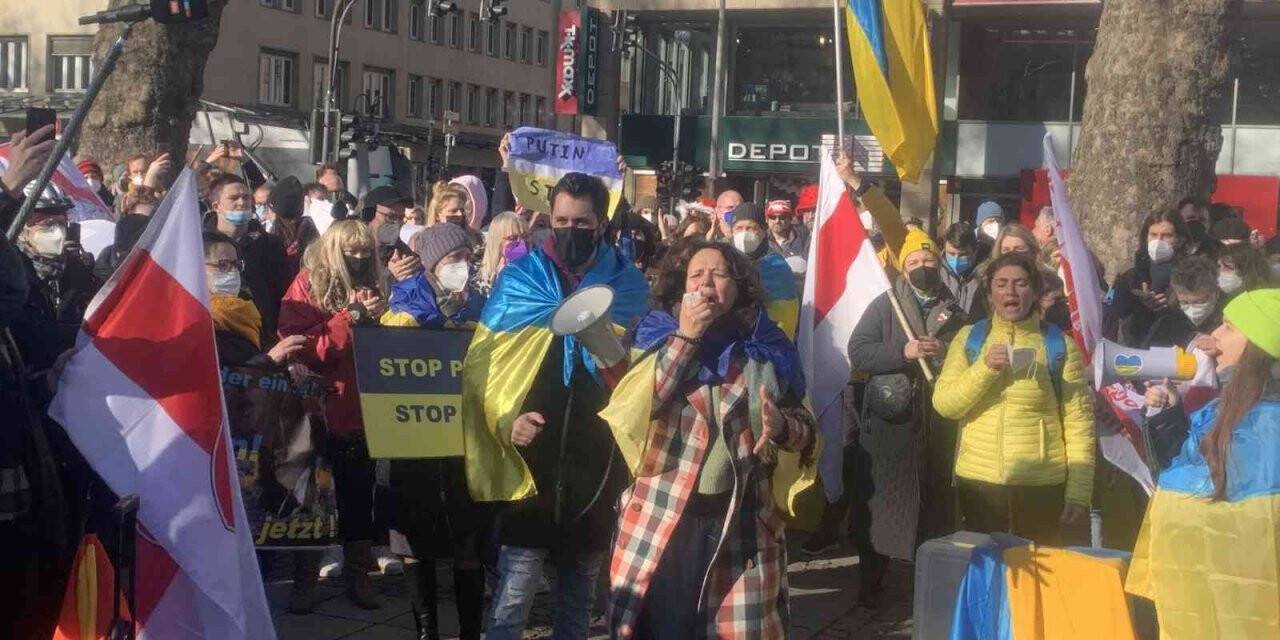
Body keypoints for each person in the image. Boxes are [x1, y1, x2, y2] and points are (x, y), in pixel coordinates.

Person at [460, 172, 648, 640]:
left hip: (594, 457)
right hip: (533, 459)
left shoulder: (627, 283)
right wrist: (507, 422)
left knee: (579, 592)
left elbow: (644, 377)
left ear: (601, 224)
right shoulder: (519, 280)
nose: (568, 230)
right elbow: (485, 369)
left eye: (581, 223)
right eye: (560, 219)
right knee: (515, 591)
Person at [603, 240, 816, 639]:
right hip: (665, 523)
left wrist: (783, 426)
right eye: (696, 274)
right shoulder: (654, 335)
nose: (706, 282)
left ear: (739, 287)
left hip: (744, 526)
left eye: (718, 274)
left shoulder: (767, 347)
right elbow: (643, 406)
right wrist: (687, 338)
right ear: (680, 287)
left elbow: (807, 432)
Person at [1126, 289, 1280, 640]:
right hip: (1212, 593)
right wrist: (1169, 417)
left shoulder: (1270, 423)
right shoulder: (1223, 407)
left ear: (1260, 343)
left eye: (1228, 327)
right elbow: (1185, 472)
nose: (1213, 338)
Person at [932, 252, 1095, 545]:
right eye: (1001, 283)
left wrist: (1079, 493)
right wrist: (985, 368)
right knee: (986, 578)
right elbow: (945, 405)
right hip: (979, 484)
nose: (1010, 291)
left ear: (1034, 291)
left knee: (1034, 583)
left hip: (1041, 486)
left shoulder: (1060, 346)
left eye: (1020, 284)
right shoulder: (969, 339)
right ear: (990, 291)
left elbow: (1079, 425)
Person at [845, 229, 969, 599]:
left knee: (933, 506)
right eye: (914, 261)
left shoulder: (956, 309)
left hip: (937, 425)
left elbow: (970, 354)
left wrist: (944, 350)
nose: (922, 267)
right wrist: (905, 351)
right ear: (902, 266)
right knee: (883, 505)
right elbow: (859, 351)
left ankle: (926, 582)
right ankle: (871, 581)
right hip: (889, 426)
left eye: (929, 261)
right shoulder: (886, 305)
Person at [380, 224, 487, 640]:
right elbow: (389, 348)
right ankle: (426, 629)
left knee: (467, 540)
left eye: (466, 257)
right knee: (414, 541)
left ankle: (470, 632)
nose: (461, 266)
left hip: (464, 440)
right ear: (432, 265)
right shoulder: (406, 299)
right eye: (452, 258)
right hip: (414, 439)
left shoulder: (479, 303)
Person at [277, 219, 388, 609]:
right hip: (318, 410)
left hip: (363, 410)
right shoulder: (307, 285)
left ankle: (358, 575)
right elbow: (301, 347)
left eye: (364, 251)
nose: (358, 258)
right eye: (351, 251)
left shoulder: (378, 285)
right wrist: (350, 318)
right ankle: (304, 580)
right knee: (312, 498)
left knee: (359, 498)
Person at [12, 182, 100, 365]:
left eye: (62, 224)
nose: (59, 234)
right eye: (48, 225)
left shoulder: (80, 270)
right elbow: (34, 337)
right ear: (22, 231)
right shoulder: (11, 279)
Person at [207, 174, 291, 348]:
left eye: (246, 197)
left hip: (262, 337)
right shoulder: (200, 243)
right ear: (216, 206)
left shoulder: (271, 245)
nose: (242, 202)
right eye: (233, 198)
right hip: (213, 333)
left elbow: (283, 294)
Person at [1110, 210, 1196, 348]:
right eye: (1154, 235)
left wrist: (1170, 306)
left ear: (1180, 240)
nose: (1158, 241)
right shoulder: (1130, 277)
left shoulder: (1193, 274)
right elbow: (1113, 312)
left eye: (1167, 235)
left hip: (1180, 352)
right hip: (1136, 353)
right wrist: (1138, 303)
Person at [727, 202, 800, 337]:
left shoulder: (777, 267)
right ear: (731, 232)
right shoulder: (724, 264)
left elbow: (782, 318)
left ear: (762, 232)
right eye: (739, 228)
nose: (744, 233)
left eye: (750, 228)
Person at [1140, 255, 1223, 350]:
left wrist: (1221, 346)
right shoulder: (1167, 323)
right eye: (1184, 303)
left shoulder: (1231, 323)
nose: (1192, 309)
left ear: (1216, 293)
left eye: (1199, 302)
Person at [940, 221, 986, 318]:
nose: (956, 259)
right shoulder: (937, 273)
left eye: (963, 255)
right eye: (951, 254)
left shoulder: (986, 275)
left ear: (975, 251)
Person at [478, 211, 529, 294]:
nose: (522, 242)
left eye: (525, 236)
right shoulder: (477, 277)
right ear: (496, 241)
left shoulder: (537, 271)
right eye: (512, 238)